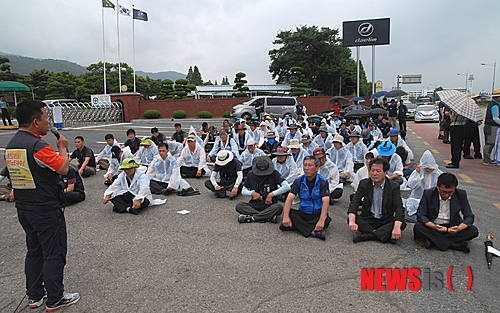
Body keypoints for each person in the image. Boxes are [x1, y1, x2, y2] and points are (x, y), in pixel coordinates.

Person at [5, 100, 79, 311]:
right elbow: (64, 169)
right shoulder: (38, 146)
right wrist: (63, 149)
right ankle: (56, 297)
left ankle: (35, 296)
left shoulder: (11, 146)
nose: (49, 122)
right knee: (54, 252)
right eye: (46, 118)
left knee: (34, 250)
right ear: (35, 121)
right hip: (44, 208)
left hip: (24, 207)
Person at [414, 173, 479, 253]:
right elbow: (421, 215)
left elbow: (469, 216)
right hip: (434, 226)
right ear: (437, 185)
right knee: (418, 227)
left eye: (450, 192)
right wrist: (434, 226)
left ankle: (434, 241)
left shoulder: (461, 194)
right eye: (443, 192)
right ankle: (453, 245)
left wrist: (459, 228)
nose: (446, 195)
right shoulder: (428, 193)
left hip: (452, 226)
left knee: (473, 231)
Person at [348, 157, 406, 244]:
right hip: (369, 219)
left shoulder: (393, 186)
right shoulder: (364, 183)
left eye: (378, 171)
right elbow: (355, 202)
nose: (374, 174)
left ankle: (368, 235)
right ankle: (383, 235)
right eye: (372, 170)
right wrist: (352, 221)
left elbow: (399, 207)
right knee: (351, 218)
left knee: (402, 224)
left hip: (385, 220)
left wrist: (397, 227)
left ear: (386, 172)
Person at [280, 156, 331, 240]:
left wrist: (321, 220)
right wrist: (285, 216)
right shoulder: (299, 181)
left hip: (317, 214)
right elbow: (289, 198)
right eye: (305, 165)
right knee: (289, 213)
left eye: (310, 165)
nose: (307, 168)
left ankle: (295, 227)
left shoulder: (323, 181)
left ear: (317, 168)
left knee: (326, 220)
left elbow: (326, 201)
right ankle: (313, 232)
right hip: (303, 213)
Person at [235, 156, 290, 223]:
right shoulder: (251, 174)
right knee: (239, 205)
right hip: (255, 204)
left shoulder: (274, 173)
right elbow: (244, 190)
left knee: (279, 207)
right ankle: (266, 217)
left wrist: (272, 194)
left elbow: (287, 186)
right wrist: (252, 193)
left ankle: (252, 217)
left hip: (270, 205)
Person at [404, 150, 443, 223]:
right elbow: (411, 185)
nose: (428, 170)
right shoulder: (418, 172)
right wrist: (419, 175)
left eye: (430, 168)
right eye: (426, 168)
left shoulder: (438, 174)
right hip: (418, 198)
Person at [483, 88, 500, 165]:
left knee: (488, 142)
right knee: (490, 142)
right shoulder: (495, 106)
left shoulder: (492, 104)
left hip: (488, 125)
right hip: (492, 126)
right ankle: (486, 159)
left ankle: (486, 158)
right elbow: (495, 118)